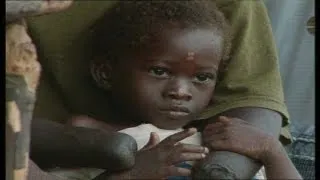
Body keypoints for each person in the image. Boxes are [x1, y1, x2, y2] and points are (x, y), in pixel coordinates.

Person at [25, 0, 292, 179]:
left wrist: (271, 150)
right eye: (159, 71)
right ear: (105, 74)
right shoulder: (94, 133)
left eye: (202, 77)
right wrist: (133, 173)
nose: (180, 91)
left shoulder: (222, 140)